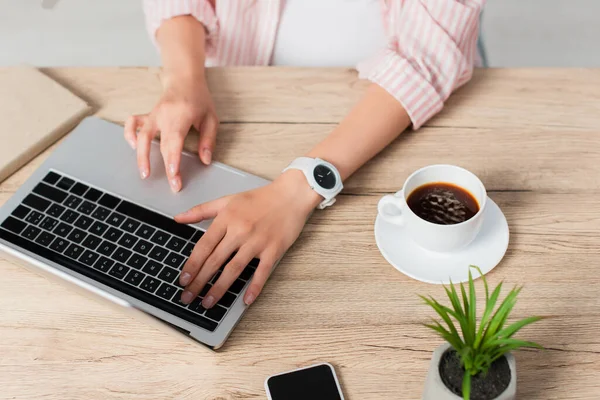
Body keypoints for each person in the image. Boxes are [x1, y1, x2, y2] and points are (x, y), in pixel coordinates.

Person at [124, 0, 484, 310]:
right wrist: (184, 80)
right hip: (237, 81)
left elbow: (424, 58)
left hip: (388, 107)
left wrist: (296, 189)